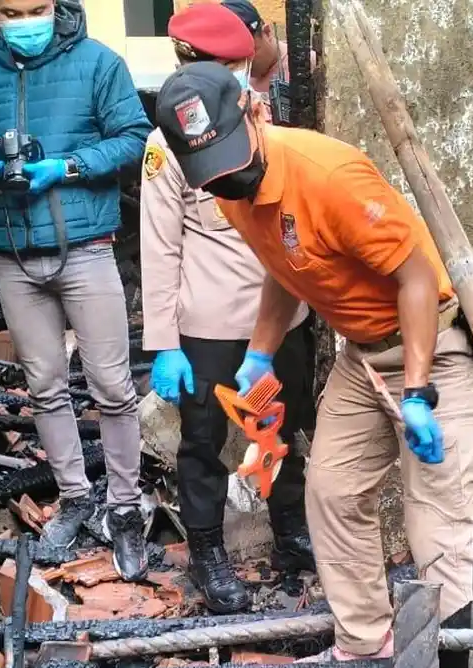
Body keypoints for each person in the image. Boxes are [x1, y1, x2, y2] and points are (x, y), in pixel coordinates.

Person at [154, 62, 473, 660]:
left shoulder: (329, 176)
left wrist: (417, 393)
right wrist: (257, 354)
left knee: (436, 525)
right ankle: (365, 646)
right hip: (360, 360)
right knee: (332, 494)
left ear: (257, 112)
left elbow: (415, 280)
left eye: (233, 159)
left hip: (429, 351)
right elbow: (286, 268)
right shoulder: (231, 187)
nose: (228, 180)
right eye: (211, 172)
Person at [0, 0, 153, 578]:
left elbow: (134, 138)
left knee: (113, 385)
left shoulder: (98, 63)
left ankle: (125, 507)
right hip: (14, 255)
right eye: (14, 10)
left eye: (38, 7)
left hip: (86, 249)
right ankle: (75, 497)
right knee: (44, 386)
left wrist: (64, 167)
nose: (28, 19)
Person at [140, 4, 316, 614]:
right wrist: (164, 342)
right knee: (207, 445)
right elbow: (159, 247)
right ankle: (210, 555)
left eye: (233, 63)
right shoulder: (170, 145)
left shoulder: (272, 125)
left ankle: (292, 535)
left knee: (283, 431)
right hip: (210, 328)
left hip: (283, 318)